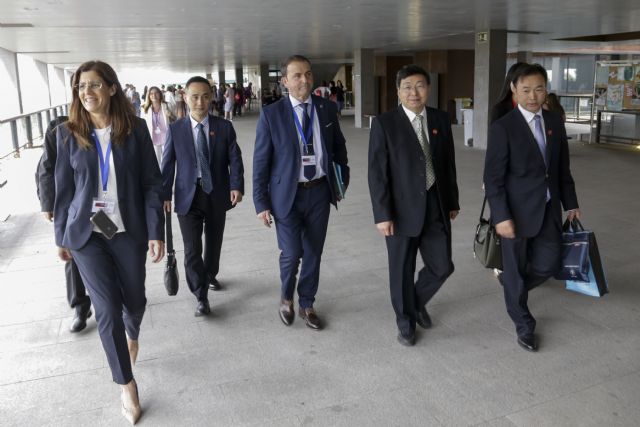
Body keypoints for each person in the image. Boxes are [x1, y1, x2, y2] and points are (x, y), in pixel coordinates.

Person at [54, 60, 165, 424]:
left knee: (134, 301)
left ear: (112, 88)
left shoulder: (135, 129)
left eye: (95, 85)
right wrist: (61, 238)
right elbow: (64, 192)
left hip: (127, 230)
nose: (87, 92)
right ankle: (126, 383)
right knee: (105, 308)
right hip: (87, 236)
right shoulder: (67, 134)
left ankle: (132, 331)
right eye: (81, 87)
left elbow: (152, 183)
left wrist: (155, 232)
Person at [483, 63, 581, 352]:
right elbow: (493, 177)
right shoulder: (504, 127)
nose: (533, 96)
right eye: (525, 90)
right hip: (514, 212)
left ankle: (513, 287)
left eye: (538, 89)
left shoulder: (554, 122)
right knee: (514, 269)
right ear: (514, 89)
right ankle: (524, 323)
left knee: (549, 263)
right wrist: (500, 216)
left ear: (546, 89)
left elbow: (562, 167)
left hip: (548, 208)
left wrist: (571, 202)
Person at [253, 54, 349, 330]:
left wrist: (343, 178)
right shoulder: (272, 115)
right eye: (297, 75)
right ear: (285, 81)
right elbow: (261, 162)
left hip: (319, 191)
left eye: (307, 74)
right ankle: (286, 296)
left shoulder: (326, 109)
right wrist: (261, 202)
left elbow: (338, 147)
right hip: (286, 195)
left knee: (314, 253)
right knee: (292, 251)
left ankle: (307, 303)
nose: (304, 80)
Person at [368, 64, 460, 347]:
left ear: (428, 89)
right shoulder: (385, 123)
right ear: (398, 92)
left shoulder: (441, 120)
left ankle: (415, 302)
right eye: (407, 87)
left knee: (442, 266)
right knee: (401, 270)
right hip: (399, 210)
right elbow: (377, 172)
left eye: (420, 85)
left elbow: (448, 163)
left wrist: (452, 201)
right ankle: (405, 322)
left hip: (435, 203)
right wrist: (382, 214)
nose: (414, 92)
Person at [161, 76, 245, 316]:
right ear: (185, 98)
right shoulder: (175, 129)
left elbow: (235, 159)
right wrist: (164, 195)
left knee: (214, 242)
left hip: (216, 193)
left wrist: (236, 185)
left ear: (212, 97)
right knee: (191, 249)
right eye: (195, 96)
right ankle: (200, 295)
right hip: (189, 195)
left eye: (205, 96)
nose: (200, 101)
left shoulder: (224, 127)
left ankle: (210, 274)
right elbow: (167, 165)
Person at [37, 115, 92, 333]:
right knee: (72, 253)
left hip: (102, 204)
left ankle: (112, 297)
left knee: (112, 246)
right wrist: (47, 204)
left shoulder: (104, 122)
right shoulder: (58, 127)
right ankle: (80, 305)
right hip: (71, 206)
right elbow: (46, 168)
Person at [141, 86, 176, 165]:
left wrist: (170, 115)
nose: (154, 95)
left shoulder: (167, 105)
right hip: (153, 138)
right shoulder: (144, 108)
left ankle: (166, 176)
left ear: (160, 94)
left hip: (166, 137)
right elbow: (142, 124)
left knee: (167, 160)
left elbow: (175, 119)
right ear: (148, 96)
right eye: (151, 94)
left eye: (156, 93)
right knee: (155, 161)